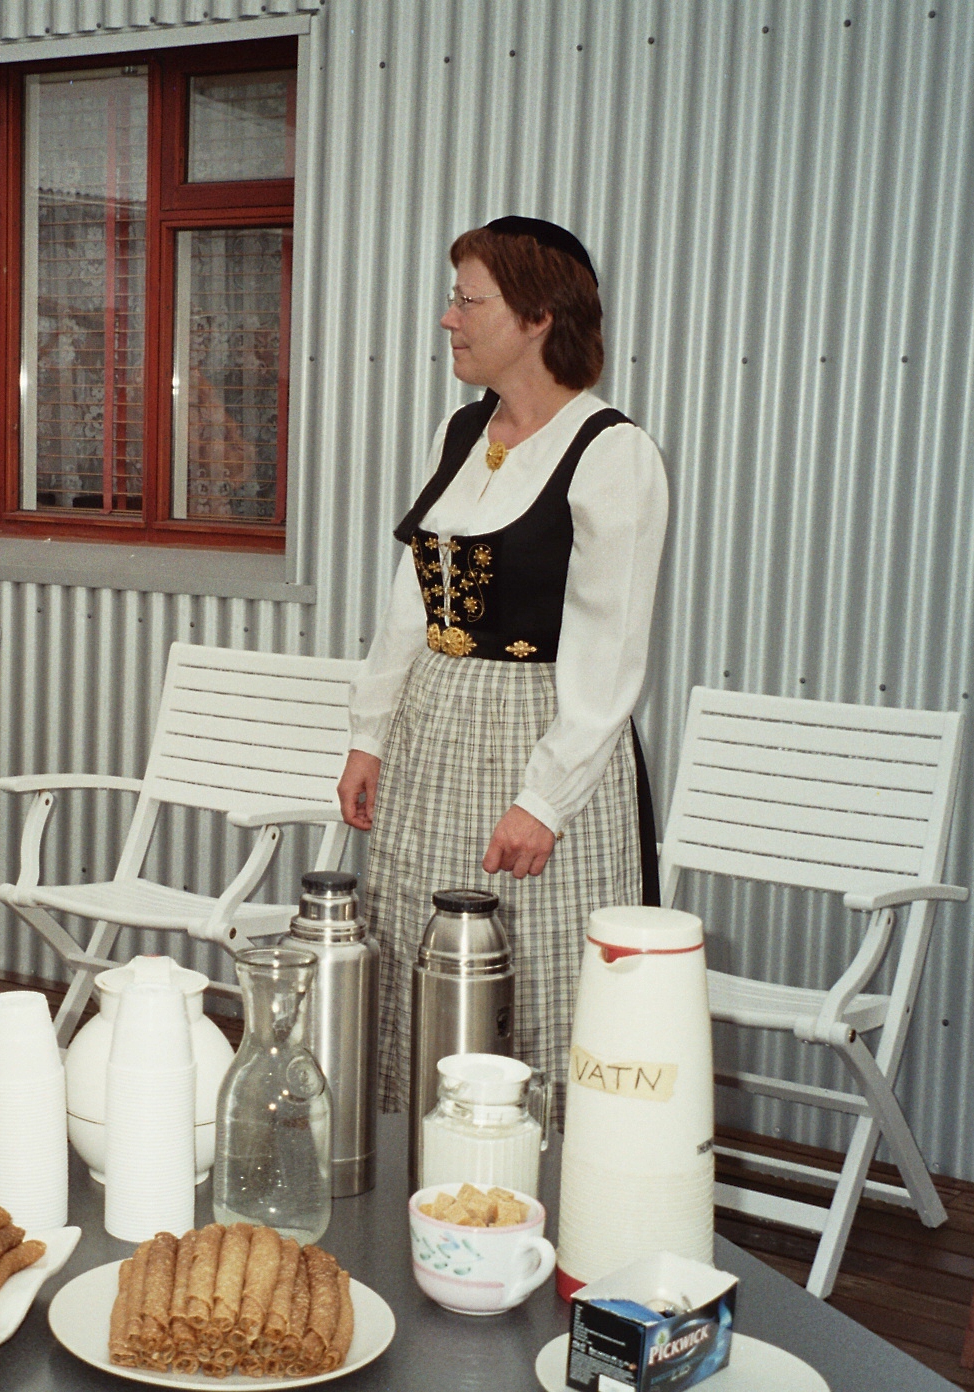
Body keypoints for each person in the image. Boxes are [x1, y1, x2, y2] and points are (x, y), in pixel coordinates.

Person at [336, 218, 668, 1126]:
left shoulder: (611, 453)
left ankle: (542, 1202)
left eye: (467, 299)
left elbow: (609, 648)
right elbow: (415, 597)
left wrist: (545, 800)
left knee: (531, 977)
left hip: (537, 748)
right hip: (431, 743)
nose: (449, 319)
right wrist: (369, 737)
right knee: (421, 963)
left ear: (537, 316)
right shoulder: (465, 429)